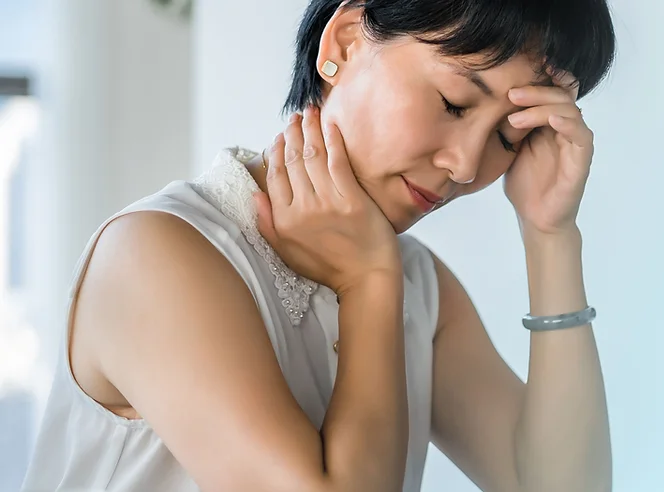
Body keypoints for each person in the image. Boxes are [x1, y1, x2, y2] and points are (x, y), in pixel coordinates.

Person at [22, 0, 616, 490]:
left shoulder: (419, 283)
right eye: (453, 103)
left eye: (508, 140)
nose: (464, 165)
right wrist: (368, 286)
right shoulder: (155, 253)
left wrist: (550, 235)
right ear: (345, 43)